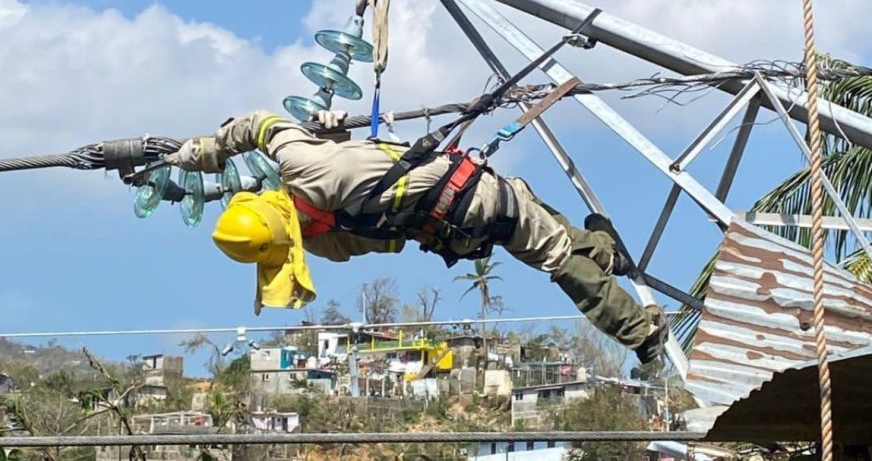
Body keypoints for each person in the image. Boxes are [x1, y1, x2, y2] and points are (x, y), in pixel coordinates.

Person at [165, 109, 667, 363]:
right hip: (479, 195)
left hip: (461, 234)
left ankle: (605, 251)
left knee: (535, 214)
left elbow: (391, 235)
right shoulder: (304, 163)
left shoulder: (326, 242)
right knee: (557, 255)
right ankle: (642, 334)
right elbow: (258, 125)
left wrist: (336, 142)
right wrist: (205, 152)